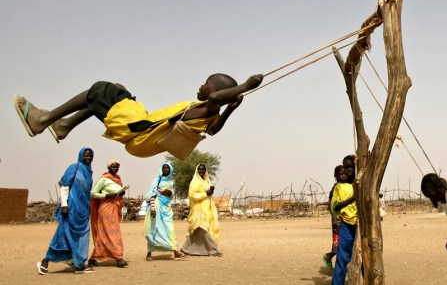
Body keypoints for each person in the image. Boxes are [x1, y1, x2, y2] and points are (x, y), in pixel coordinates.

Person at [13, 73, 263, 157]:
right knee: (118, 92)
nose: (201, 86)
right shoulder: (208, 115)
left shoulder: (208, 106)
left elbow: (215, 100)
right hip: (145, 128)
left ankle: (42, 121)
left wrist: (245, 86)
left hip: (140, 131)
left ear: (218, 91)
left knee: (99, 90)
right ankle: (64, 126)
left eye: (206, 83)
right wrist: (231, 110)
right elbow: (213, 130)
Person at [37, 147, 95, 275]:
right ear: (81, 156)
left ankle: (78, 263)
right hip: (72, 208)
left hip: (84, 210)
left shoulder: (89, 172)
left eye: (90, 156)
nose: (88, 158)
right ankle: (45, 261)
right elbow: (64, 186)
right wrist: (64, 205)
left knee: (82, 236)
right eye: (86, 155)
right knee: (63, 234)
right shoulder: (73, 168)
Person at [89, 160, 129, 268]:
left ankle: (94, 257)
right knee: (112, 233)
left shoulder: (118, 179)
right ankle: (118, 257)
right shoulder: (104, 179)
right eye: (113, 167)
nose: (115, 169)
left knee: (104, 234)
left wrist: (121, 193)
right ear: (108, 168)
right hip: (105, 209)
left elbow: (117, 192)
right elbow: (93, 193)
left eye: (116, 167)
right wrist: (106, 195)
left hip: (115, 207)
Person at [144, 162, 186, 261]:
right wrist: (152, 208)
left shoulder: (171, 182)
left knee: (169, 228)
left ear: (170, 170)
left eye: (167, 168)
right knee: (154, 228)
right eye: (164, 168)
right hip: (157, 206)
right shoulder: (156, 180)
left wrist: (169, 192)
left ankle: (175, 251)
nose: (165, 170)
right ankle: (149, 253)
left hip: (166, 208)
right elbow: (151, 193)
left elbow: (172, 194)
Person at [181, 164, 222, 256]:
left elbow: (208, 194)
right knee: (201, 228)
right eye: (199, 169)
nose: (201, 171)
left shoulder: (206, 181)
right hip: (198, 209)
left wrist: (210, 192)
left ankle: (186, 248)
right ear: (197, 171)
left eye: (203, 170)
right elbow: (192, 195)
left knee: (200, 229)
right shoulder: (194, 182)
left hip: (207, 209)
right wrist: (205, 193)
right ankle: (213, 250)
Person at [331, 167, 357, 285]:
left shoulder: (355, 184)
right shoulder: (337, 188)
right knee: (342, 257)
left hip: (359, 223)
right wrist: (352, 198)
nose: (346, 173)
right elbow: (335, 207)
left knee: (363, 256)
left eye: (350, 168)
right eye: (343, 172)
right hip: (346, 222)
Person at [322, 165, 344, 270]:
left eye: (345, 173)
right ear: (335, 175)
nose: (343, 175)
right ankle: (330, 258)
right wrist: (335, 218)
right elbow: (332, 205)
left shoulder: (346, 185)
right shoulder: (336, 187)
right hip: (338, 220)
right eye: (340, 173)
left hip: (346, 219)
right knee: (339, 244)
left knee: (345, 244)